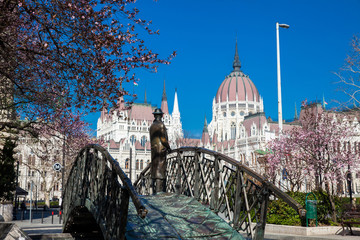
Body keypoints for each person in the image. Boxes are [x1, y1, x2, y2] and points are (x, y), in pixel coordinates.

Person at [149, 108, 171, 193]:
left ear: (154, 115)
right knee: (160, 171)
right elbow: (163, 139)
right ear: (161, 116)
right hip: (161, 150)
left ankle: (155, 192)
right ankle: (159, 193)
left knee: (155, 170)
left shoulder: (152, 126)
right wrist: (168, 147)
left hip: (154, 151)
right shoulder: (161, 125)